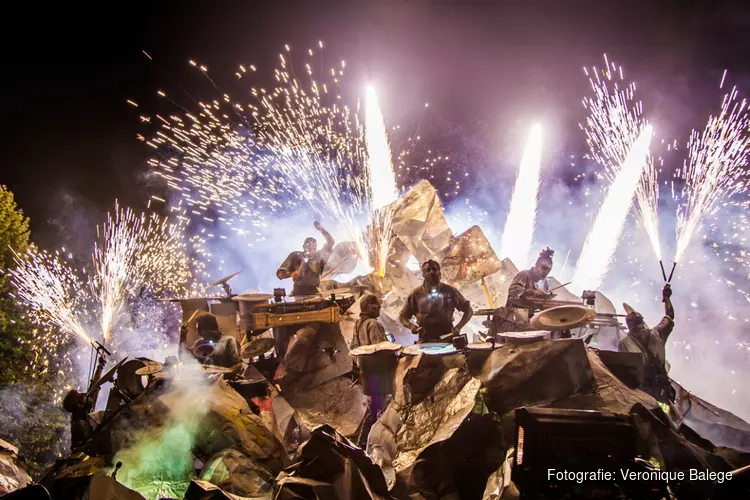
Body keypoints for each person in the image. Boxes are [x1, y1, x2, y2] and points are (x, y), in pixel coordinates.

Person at [618, 283, 675, 402]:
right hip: (663, 390)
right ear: (642, 322)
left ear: (628, 325)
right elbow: (669, 316)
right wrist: (667, 298)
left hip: (642, 394)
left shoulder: (623, 343)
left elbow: (624, 372)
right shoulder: (657, 333)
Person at [399, 260, 473, 342]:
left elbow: (469, 310)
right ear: (423, 275)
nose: (431, 272)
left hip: (447, 336)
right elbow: (403, 316)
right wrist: (411, 326)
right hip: (425, 338)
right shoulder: (415, 294)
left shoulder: (451, 291)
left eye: (434, 269)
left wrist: (458, 327)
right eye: (428, 270)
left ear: (440, 273)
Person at [497, 247, 555, 331]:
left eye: (548, 270)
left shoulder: (544, 283)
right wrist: (533, 292)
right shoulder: (524, 275)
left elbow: (537, 303)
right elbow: (514, 291)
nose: (544, 272)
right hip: (512, 318)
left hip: (529, 318)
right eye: (543, 268)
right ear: (536, 264)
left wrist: (545, 301)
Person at [276, 221, 335, 296]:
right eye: (308, 246)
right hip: (297, 294)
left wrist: (321, 229)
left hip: (315, 293)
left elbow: (331, 242)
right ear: (303, 247)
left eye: (313, 246)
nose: (311, 248)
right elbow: (280, 274)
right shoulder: (295, 256)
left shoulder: (319, 256)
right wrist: (291, 274)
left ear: (316, 248)